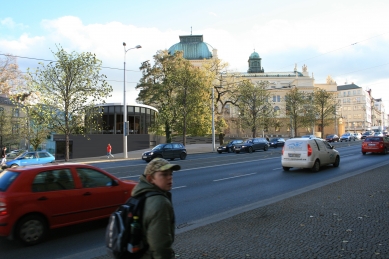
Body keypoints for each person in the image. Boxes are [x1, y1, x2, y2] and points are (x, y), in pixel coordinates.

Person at [131, 158, 180, 259]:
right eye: (164, 174)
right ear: (150, 179)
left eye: (171, 174)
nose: (170, 178)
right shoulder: (160, 202)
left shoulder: (140, 194)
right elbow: (160, 246)